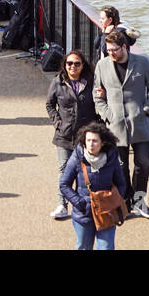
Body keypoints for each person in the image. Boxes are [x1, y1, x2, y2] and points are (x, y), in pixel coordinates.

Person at [93, 28, 149, 218]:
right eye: (108, 50)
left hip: (139, 123)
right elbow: (97, 95)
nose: (110, 54)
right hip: (115, 125)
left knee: (143, 164)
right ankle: (124, 201)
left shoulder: (143, 63)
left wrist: (147, 111)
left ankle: (139, 200)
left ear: (124, 46)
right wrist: (107, 115)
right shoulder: (102, 66)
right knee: (120, 166)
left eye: (114, 50)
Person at [59, 121, 128, 251]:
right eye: (88, 140)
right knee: (83, 247)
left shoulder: (112, 157)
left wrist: (115, 202)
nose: (91, 144)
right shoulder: (77, 157)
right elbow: (64, 185)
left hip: (107, 212)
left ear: (102, 142)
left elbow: (121, 183)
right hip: (84, 214)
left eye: (95, 141)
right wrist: (80, 203)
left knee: (106, 247)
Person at [46, 50, 97, 219]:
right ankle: (62, 204)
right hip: (65, 134)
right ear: (65, 65)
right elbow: (50, 105)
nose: (73, 67)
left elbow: (99, 104)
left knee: (86, 169)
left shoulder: (91, 82)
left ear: (83, 65)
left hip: (85, 135)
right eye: (69, 63)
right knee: (64, 169)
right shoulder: (58, 82)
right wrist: (58, 122)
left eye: (77, 63)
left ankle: (85, 203)